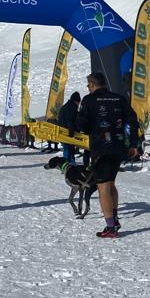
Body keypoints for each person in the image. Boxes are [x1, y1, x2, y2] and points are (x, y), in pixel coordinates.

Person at [75, 73, 139, 238]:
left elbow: (81, 125)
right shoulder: (119, 98)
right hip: (119, 148)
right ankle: (115, 218)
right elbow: (133, 121)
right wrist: (133, 144)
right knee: (111, 184)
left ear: (92, 84)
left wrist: (88, 126)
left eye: (88, 86)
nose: (88, 88)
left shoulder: (88, 100)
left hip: (101, 149)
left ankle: (110, 227)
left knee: (103, 187)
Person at [57, 91, 81, 164]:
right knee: (68, 147)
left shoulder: (67, 105)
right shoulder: (72, 107)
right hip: (67, 131)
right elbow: (69, 120)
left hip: (63, 129)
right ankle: (69, 163)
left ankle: (67, 162)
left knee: (67, 147)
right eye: (79, 102)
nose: (79, 104)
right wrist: (71, 131)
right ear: (76, 101)